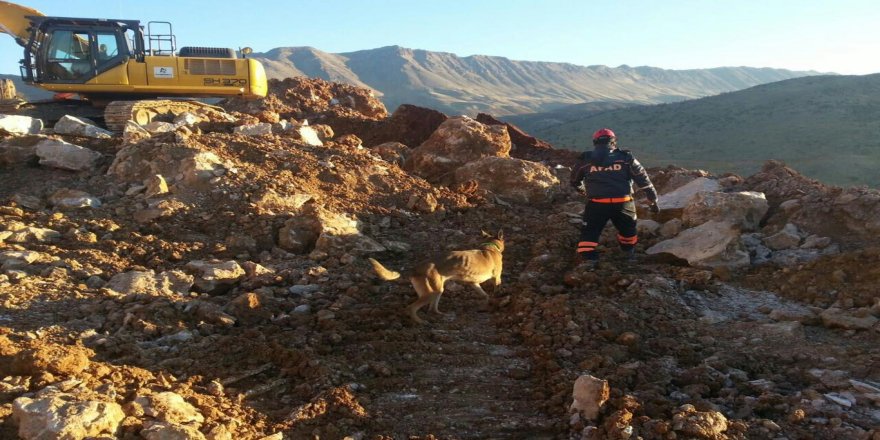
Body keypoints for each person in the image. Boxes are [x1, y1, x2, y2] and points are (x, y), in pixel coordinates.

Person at [570, 128, 659, 267]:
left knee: (590, 232)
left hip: (597, 204)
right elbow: (643, 180)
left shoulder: (585, 159)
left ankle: (589, 260)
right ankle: (628, 254)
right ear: (613, 141)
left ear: (595, 142)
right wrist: (653, 200)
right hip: (623, 203)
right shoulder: (626, 158)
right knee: (628, 231)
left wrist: (584, 192)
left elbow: (574, 181)